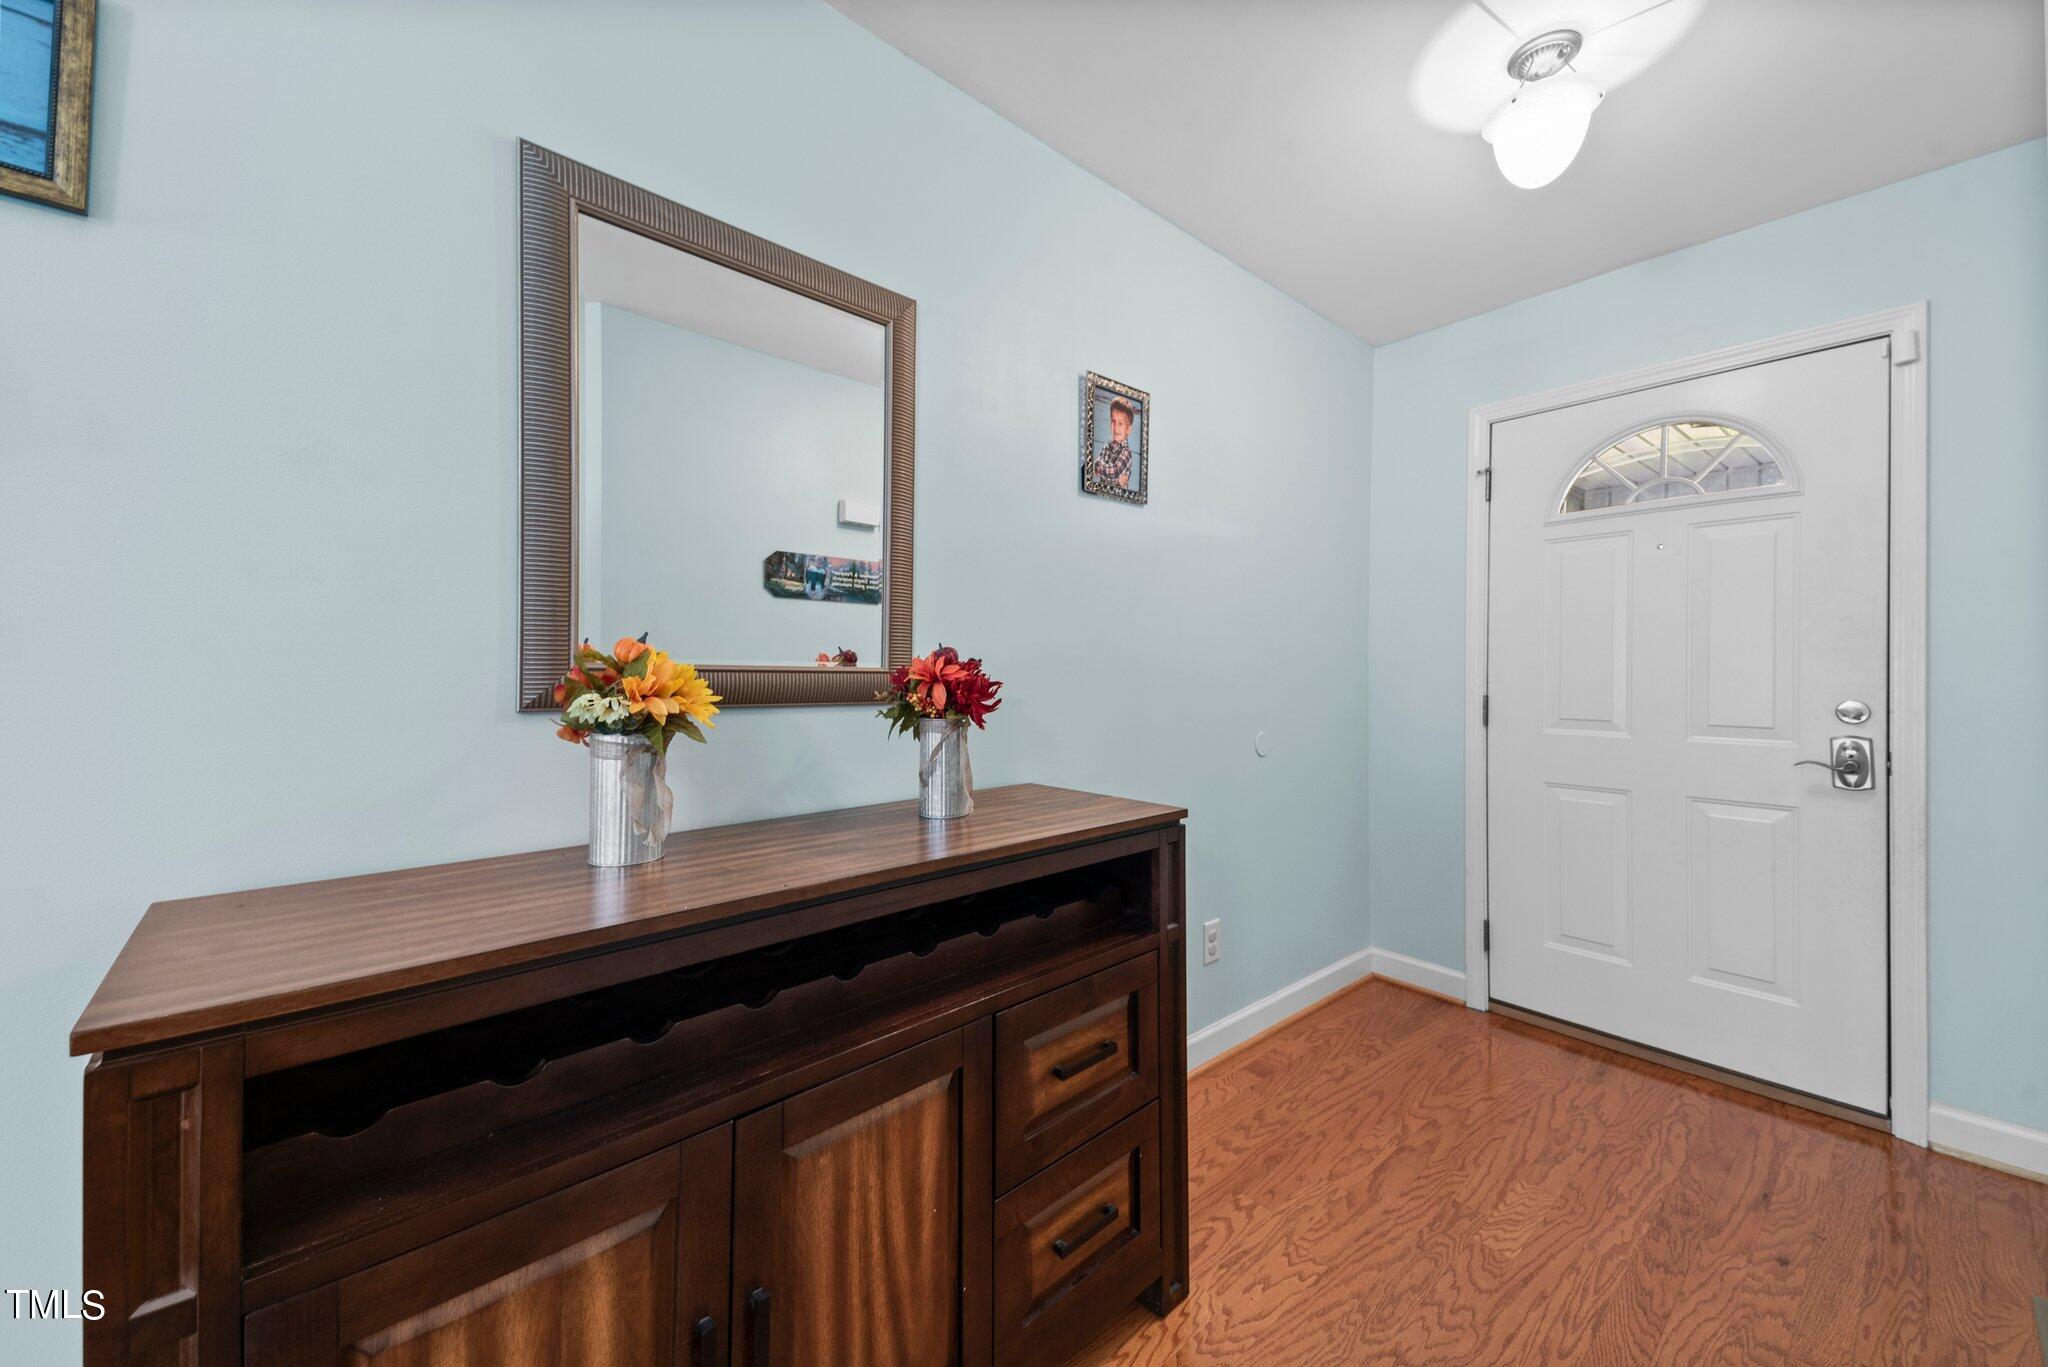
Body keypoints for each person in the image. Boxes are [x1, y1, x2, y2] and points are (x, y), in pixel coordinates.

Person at [1092, 398, 1138, 491]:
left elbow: (1114, 472)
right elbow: (1096, 469)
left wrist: (1099, 465)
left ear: (1128, 429)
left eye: (1120, 423)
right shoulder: (1107, 445)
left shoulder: (1126, 453)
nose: (1116, 427)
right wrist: (1116, 478)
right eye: (1113, 421)